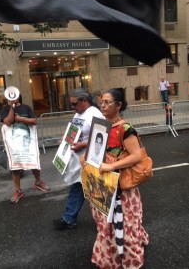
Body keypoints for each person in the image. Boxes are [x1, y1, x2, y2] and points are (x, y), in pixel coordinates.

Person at [88, 88, 149, 268]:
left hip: (121, 189)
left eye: (107, 102)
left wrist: (111, 165)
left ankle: (129, 258)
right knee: (105, 224)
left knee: (124, 223)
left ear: (118, 105)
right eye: (101, 102)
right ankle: (110, 256)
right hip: (103, 185)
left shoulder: (125, 129)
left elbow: (137, 155)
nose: (103, 105)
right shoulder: (101, 125)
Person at [53, 87, 104, 230]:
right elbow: (74, 130)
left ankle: (104, 223)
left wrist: (83, 144)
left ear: (85, 100)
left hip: (92, 160)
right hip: (78, 160)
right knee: (78, 187)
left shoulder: (95, 114)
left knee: (95, 192)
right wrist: (66, 138)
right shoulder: (79, 113)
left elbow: (103, 138)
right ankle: (69, 218)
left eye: (75, 104)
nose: (72, 107)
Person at [0, 89, 50, 203]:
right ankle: (18, 191)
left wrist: (21, 119)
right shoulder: (5, 109)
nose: (12, 99)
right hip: (14, 143)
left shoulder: (26, 108)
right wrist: (12, 108)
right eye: (10, 97)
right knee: (16, 167)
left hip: (27, 140)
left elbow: (34, 121)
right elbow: (7, 122)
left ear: (18, 96)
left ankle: (38, 181)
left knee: (33, 161)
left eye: (14, 97)